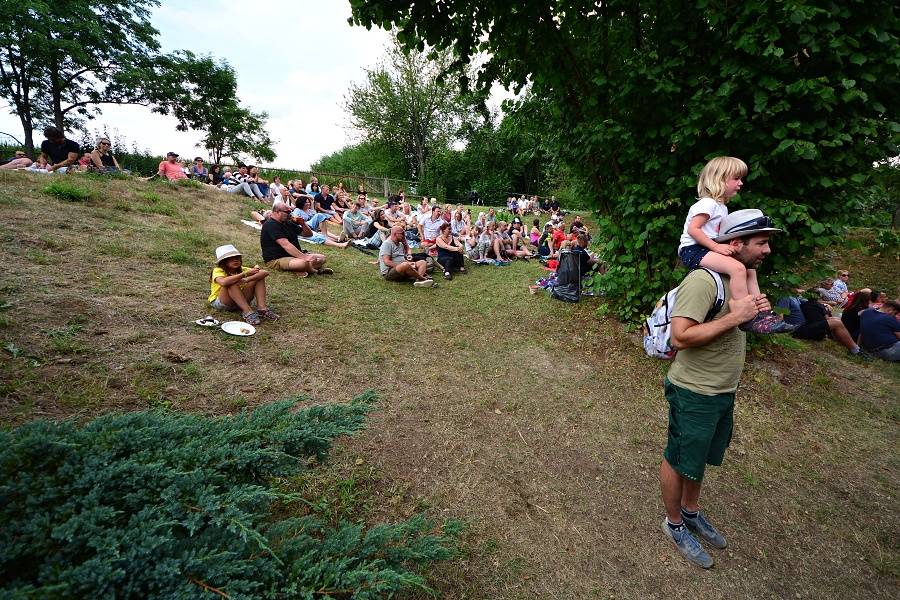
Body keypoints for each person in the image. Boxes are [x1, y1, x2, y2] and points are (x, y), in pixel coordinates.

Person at [659, 209, 785, 569]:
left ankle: (691, 511)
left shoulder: (744, 280)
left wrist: (754, 314)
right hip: (693, 391)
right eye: (760, 243)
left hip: (723, 390)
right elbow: (680, 337)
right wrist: (735, 316)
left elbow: (748, 325)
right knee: (680, 456)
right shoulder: (704, 281)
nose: (766, 251)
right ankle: (674, 523)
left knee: (700, 458)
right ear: (735, 243)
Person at [677, 158, 792, 334]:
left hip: (707, 248)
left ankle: (761, 312)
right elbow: (694, 230)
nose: (741, 183)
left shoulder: (721, 207)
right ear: (720, 179)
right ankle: (744, 314)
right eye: (736, 178)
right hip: (693, 250)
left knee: (749, 270)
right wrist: (716, 248)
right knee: (738, 268)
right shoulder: (708, 204)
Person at [208, 244, 279, 325]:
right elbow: (223, 282)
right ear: (223, 262)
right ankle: (247, 311)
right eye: (231, 259)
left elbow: (265, 272)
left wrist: (246, 279)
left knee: (258, 278)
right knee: (231, 282)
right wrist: (244, 275)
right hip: (223, 303)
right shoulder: (218, 270)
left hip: (240, 302)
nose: (235, 260)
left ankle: (262, 309)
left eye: (237, 258)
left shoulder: (243, 269)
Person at [260, 202, 332, 277]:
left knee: (322, 258)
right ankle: (314, 270)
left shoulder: (287, 223)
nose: (290, 214)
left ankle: (301, 269)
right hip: (276, 259)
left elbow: (308, 234)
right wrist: (304, 257)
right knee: (304, 263)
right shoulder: (270, 224)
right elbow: (286, 245)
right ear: (277, 212)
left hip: (293, 256)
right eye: (287, 212)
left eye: (290, 212)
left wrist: (303, 224)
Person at [777, 292, 862, 355]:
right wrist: (784, 332)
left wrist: (825, 304)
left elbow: (809, 301)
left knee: (835, 319)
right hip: (797, 329)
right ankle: (856, 351)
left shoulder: (794, 296)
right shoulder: (784, 297)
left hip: (804, 325)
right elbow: (779, 317)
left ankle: (846, 343)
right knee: (836, 323)